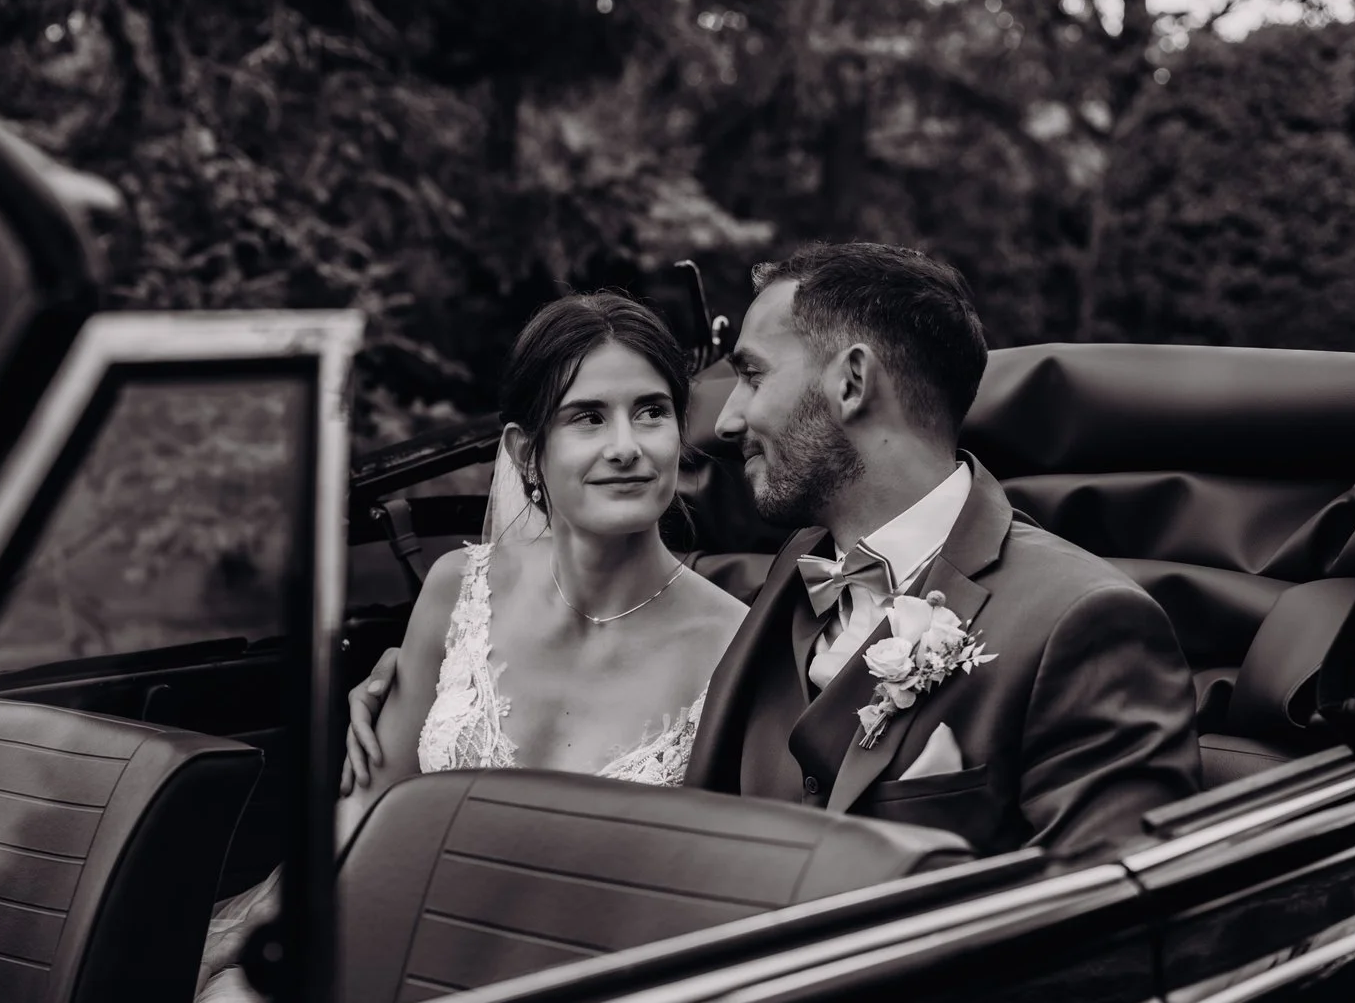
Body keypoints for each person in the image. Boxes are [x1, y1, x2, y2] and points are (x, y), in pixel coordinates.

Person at [348, 242, 1200, 861]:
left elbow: (1107, 942)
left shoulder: (1084, 621)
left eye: (751, 375)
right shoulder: (786, 590)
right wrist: (413, 677)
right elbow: (610, 605)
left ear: (851, 381)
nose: (719, 422)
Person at [193, 290, 747, 1003]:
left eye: (650, 412)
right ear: (527, 453)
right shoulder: (461, 588)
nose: (628, 445)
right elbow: (362, 820)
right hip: (399, 975)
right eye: (589, 417)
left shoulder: (734, 643)